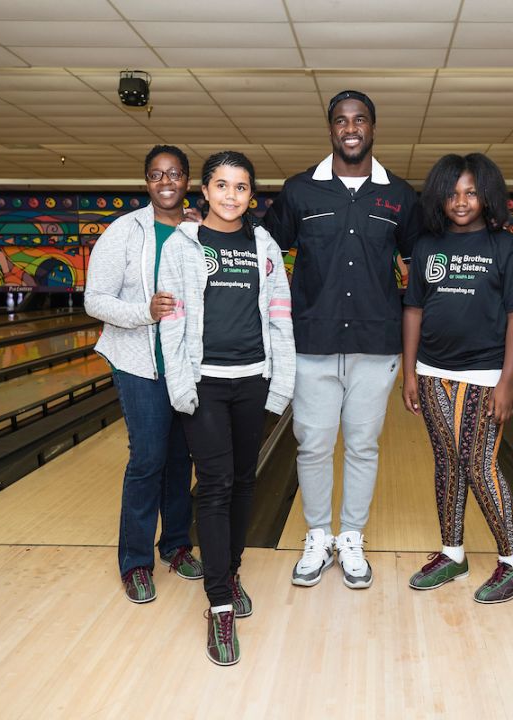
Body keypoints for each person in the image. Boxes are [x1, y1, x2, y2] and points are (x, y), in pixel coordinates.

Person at [263, 90, 420, 589]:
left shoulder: (399, 195)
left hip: (376, 344)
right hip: (311, 341)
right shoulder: (299, 192)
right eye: (341, 120)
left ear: (373, 127)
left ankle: (350, 537)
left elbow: (423, 260)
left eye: (360, 120)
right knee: (311, 445)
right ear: (331, 128)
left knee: (362, 445)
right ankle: (317, 536)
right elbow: (263, 247)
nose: (350, 128)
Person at [158, 150, 295, 666]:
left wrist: (281, 383)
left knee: (243, 481)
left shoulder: (264, 246)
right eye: (221, 185)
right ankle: (218, 603)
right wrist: (180, 383)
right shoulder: (182, 245)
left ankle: (231, 572)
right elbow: (172, 319)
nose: (231, 195)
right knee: (214, 485)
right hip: (205, 382)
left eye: (240, 187)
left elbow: (280, 316)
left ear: (251, 197)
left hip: (253, 380)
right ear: (206, 192)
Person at [400, 153, 513, 603]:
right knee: (448, 462)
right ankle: (453, 552)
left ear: (487, 195)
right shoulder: (426, 247)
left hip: (485, 373)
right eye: (453, 193)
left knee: (479, 464)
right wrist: (410, 370)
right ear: (439, 197)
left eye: (472, 192)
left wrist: (506, 381)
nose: (461, 201)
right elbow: (414, 309)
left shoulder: (506, 247)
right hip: (433, 370)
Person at [84, 145, 204, 606]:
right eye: (157, 175)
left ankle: (175, 545)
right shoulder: (124, 231)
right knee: (148, 459)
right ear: (147, 183)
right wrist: (144, 311)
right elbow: (95, 299)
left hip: (186, 365)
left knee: (181, 459)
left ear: (187, 180)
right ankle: (135, 562)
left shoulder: (199, 231)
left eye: (174, 173)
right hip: (137, 361)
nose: (166, 181)